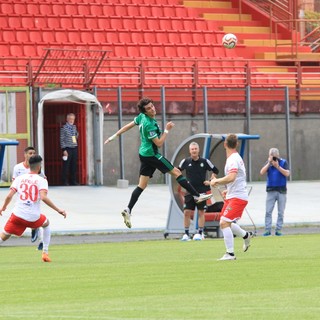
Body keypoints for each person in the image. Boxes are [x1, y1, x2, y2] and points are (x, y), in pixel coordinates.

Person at [104, 97, 212, 228]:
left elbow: (129, 126)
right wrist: (167, 130)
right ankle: (196, 196)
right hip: (152, 155)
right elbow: (159, 143)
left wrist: (113, 136)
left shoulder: (141, 117)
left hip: (143, 154)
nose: (152, 109)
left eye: (152, 106)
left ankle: (128, 209)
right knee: (177, 172)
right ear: (145, 111)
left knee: (142, 185)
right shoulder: (149, 124)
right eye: (148, 108)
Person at [0, 155, 66, 262]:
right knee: (46, 223)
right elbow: (44, 197)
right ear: (39, 167)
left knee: (5, 235)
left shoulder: (19, 178)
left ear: (29, 166)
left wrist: (3, 208)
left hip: (17, 215)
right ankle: (45, 252)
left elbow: (9, 196)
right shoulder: (42, 180)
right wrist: (58, 210)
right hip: (33, 218)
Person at [210, 134, 253, 261]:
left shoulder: (233, 159)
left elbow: (232, 177)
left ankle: (230, 254)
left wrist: (216, 181)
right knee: (225, 222)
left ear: (225, 144)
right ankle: (246, 235)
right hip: (233, 195)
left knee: (224, 222)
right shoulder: (234, 158)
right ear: (237, 144)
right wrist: (227, 190)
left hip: (238, 196)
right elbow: (236, 179)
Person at [178, 141, 219, 241]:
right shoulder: (185, 161)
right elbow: (177, 171)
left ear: (198, 150)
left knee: (201, 212)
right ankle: (186, 234)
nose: (194, 151)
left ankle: (200, 233)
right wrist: (183, 181)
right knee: (187, 212)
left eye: (195, 149)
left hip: (201, 192)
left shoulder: (205, 161)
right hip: (189, 191)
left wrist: (210, 181)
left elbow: (215, 170)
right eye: (192, 149)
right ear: (190, 151)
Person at [12, 146, 45, 250]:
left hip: (34, 199)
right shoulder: (18, 168)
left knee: (39, 219)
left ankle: (41, 242)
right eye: (30, 153)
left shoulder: (37, 168)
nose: (32, 155)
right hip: (22, 199)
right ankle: (33, 229)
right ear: (25, 155)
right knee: (20, 219)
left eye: (34, 153)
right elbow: (14, 183)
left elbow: (43, 180)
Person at [260, 147, 290, 236]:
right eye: (271, 156)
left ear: (278, 156)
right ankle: (267, 230)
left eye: (275, 157)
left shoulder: (283, 162)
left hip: (281, 190)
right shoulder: (268, 163)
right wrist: (269, 163)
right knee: (268, 211)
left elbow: (287, 173)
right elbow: (261, 172)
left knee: (281, 212)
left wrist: (278, 167)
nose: (273, 159)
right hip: (271, 190)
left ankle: (278, 230)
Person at [60, 113, 79, 186]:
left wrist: (77, 134)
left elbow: (75, 137)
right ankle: (64, 181)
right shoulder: (64, 128)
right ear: (67, 119)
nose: (72, 120)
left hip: (74, 147)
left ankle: (73, 181)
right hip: (67, 148)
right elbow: (62, 139)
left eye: (73, 119)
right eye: (70, 119)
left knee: (73, 165)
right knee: (66, 165)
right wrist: (64, 150)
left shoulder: (74, 127)